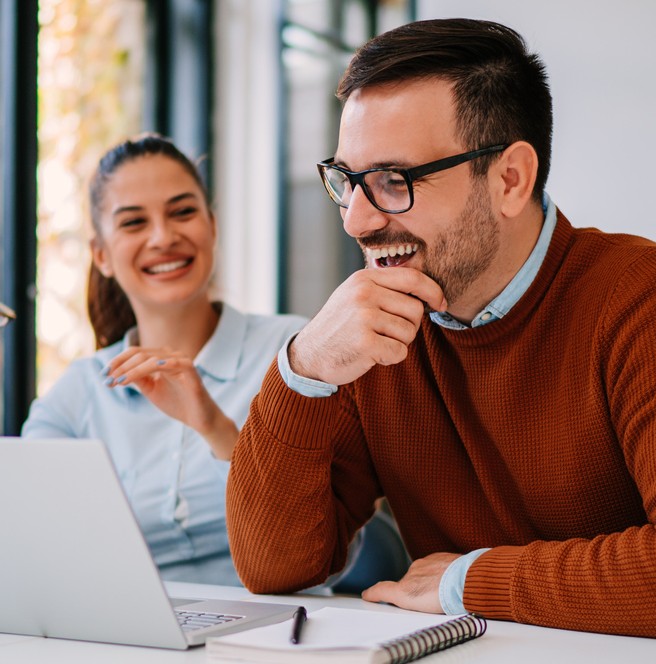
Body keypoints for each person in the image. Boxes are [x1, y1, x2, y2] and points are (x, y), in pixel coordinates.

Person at [227, 19, 656, 643]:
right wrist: (302, 368)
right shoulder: (378, 330)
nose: (357, 221)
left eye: (394, 181)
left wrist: (467, 582)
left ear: (509, 180)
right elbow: (273, 568)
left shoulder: (655, 299)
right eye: (347, 181)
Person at [22, 134, 407, 590]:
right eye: (133, 223)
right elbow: (35, 539)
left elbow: (330, 535)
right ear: (101, 255)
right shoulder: (77, 394)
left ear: (213, 225)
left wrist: (214, 427)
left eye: (183, 212)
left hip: (286, 627)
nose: (163, 237)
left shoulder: (302, 353)